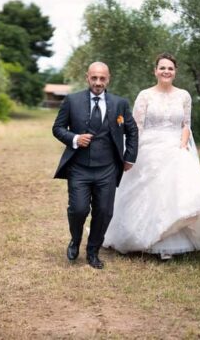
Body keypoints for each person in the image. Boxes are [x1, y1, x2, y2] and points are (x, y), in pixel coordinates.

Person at [103, 53, 200, 260]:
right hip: (149, 149)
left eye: (170, 68)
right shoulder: (145, 95)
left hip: (175, 147)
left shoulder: (184, 96)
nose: (166, 71)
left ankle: (175, 240)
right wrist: (133, 153)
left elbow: (186, 125)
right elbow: (137, 127)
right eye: (162, 68)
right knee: (152, 193)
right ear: (155, 71)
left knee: (179, 192)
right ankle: (150, 239)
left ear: (175, 72)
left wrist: (183, 145)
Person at [52, 62, 139, 269]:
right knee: (78, 209)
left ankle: (93, 251)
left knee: (104, 212)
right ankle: (75, 239)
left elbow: (132, 130)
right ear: (87, 78)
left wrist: (129, 158)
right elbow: (57, 128)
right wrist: (74, 138)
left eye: (102, 78)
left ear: (108, 79)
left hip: (107, 168)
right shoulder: (72, 101)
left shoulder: (120, 103)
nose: (98, 82)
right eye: (94, 78)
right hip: (79, 168)